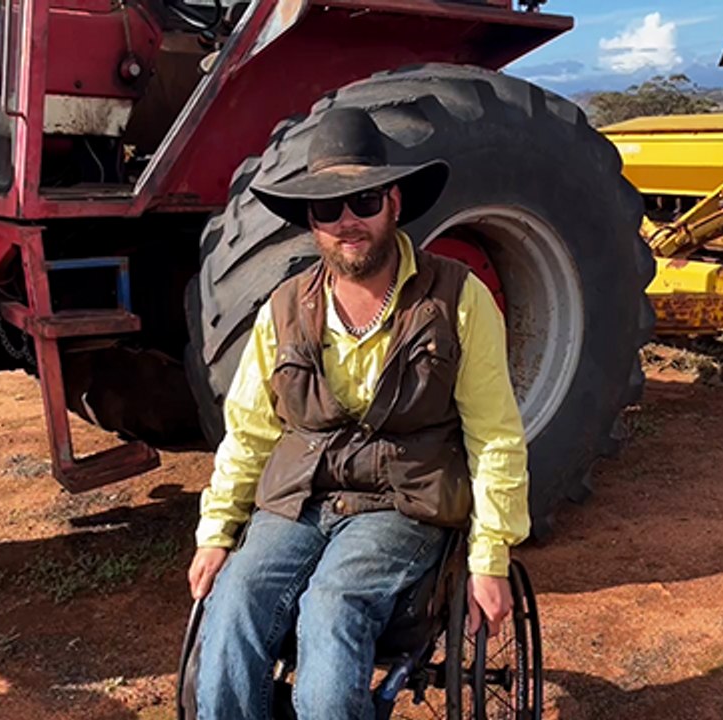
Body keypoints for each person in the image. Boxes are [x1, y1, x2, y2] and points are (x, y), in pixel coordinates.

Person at [186, 107, 531, 720]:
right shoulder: (285, 308)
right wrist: (216, 534)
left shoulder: (457, 298)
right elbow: (249, 432)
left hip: (401, 500)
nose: (348, 221)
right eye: (328, 208)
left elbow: (495, 435)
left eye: (364, 200)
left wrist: (490, 558)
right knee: (234, 599)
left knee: (334, 603)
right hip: (299, 499)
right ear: (311, 223)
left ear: (394, 201)